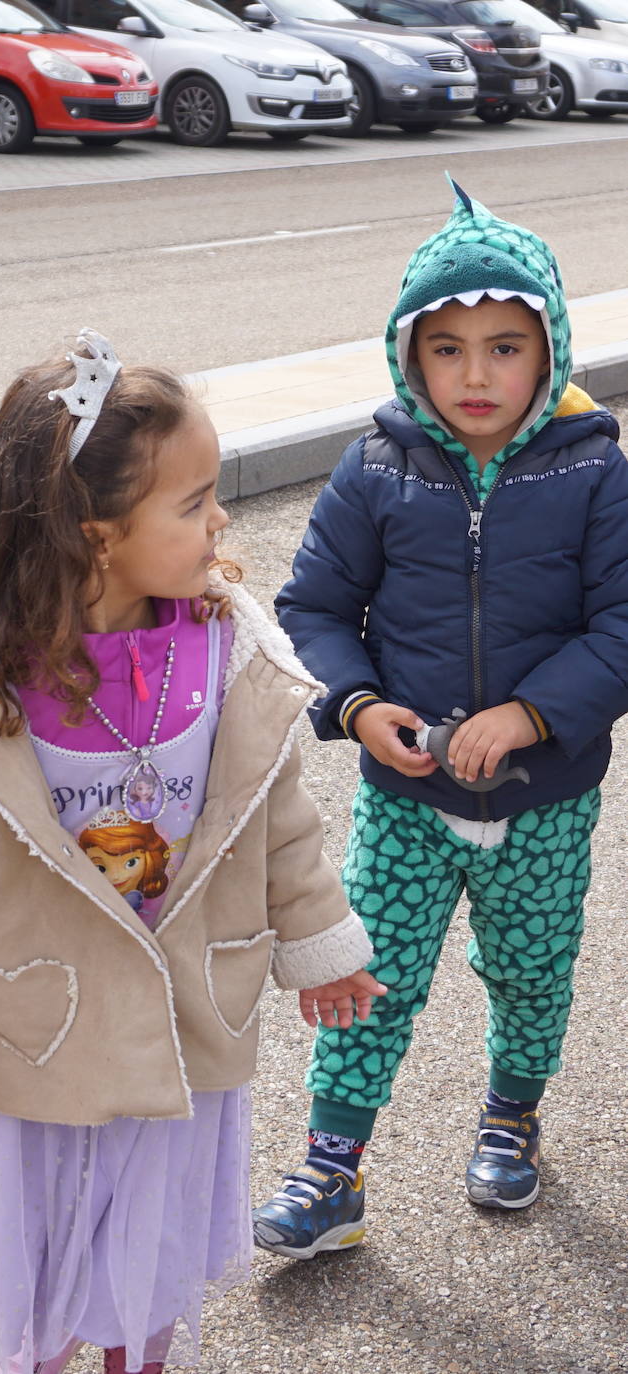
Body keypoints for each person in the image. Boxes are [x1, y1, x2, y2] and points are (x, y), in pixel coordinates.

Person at [0, 328, 383, 1374]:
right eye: (192, 503)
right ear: (94, 537)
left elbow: (274, 818)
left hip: (179, 1021)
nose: (220, 520)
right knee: (36, 1257)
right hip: (34, 1028)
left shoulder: (226, 652)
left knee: (149, 1247)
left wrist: (318, 942)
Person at [251, 180, 628, 1259]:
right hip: (403, 797)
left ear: (547, 348)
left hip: (542, 798)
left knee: (529, 966)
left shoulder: (595, 468)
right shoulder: (372, 466)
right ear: (405, 354)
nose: (475, 375)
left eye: (504, 347)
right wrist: (356, 707)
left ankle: (511, 1112)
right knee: (366, 968)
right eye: (447, 347)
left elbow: (617, 625)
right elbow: (312, 609)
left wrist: (526, 713)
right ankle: (333, 1167)